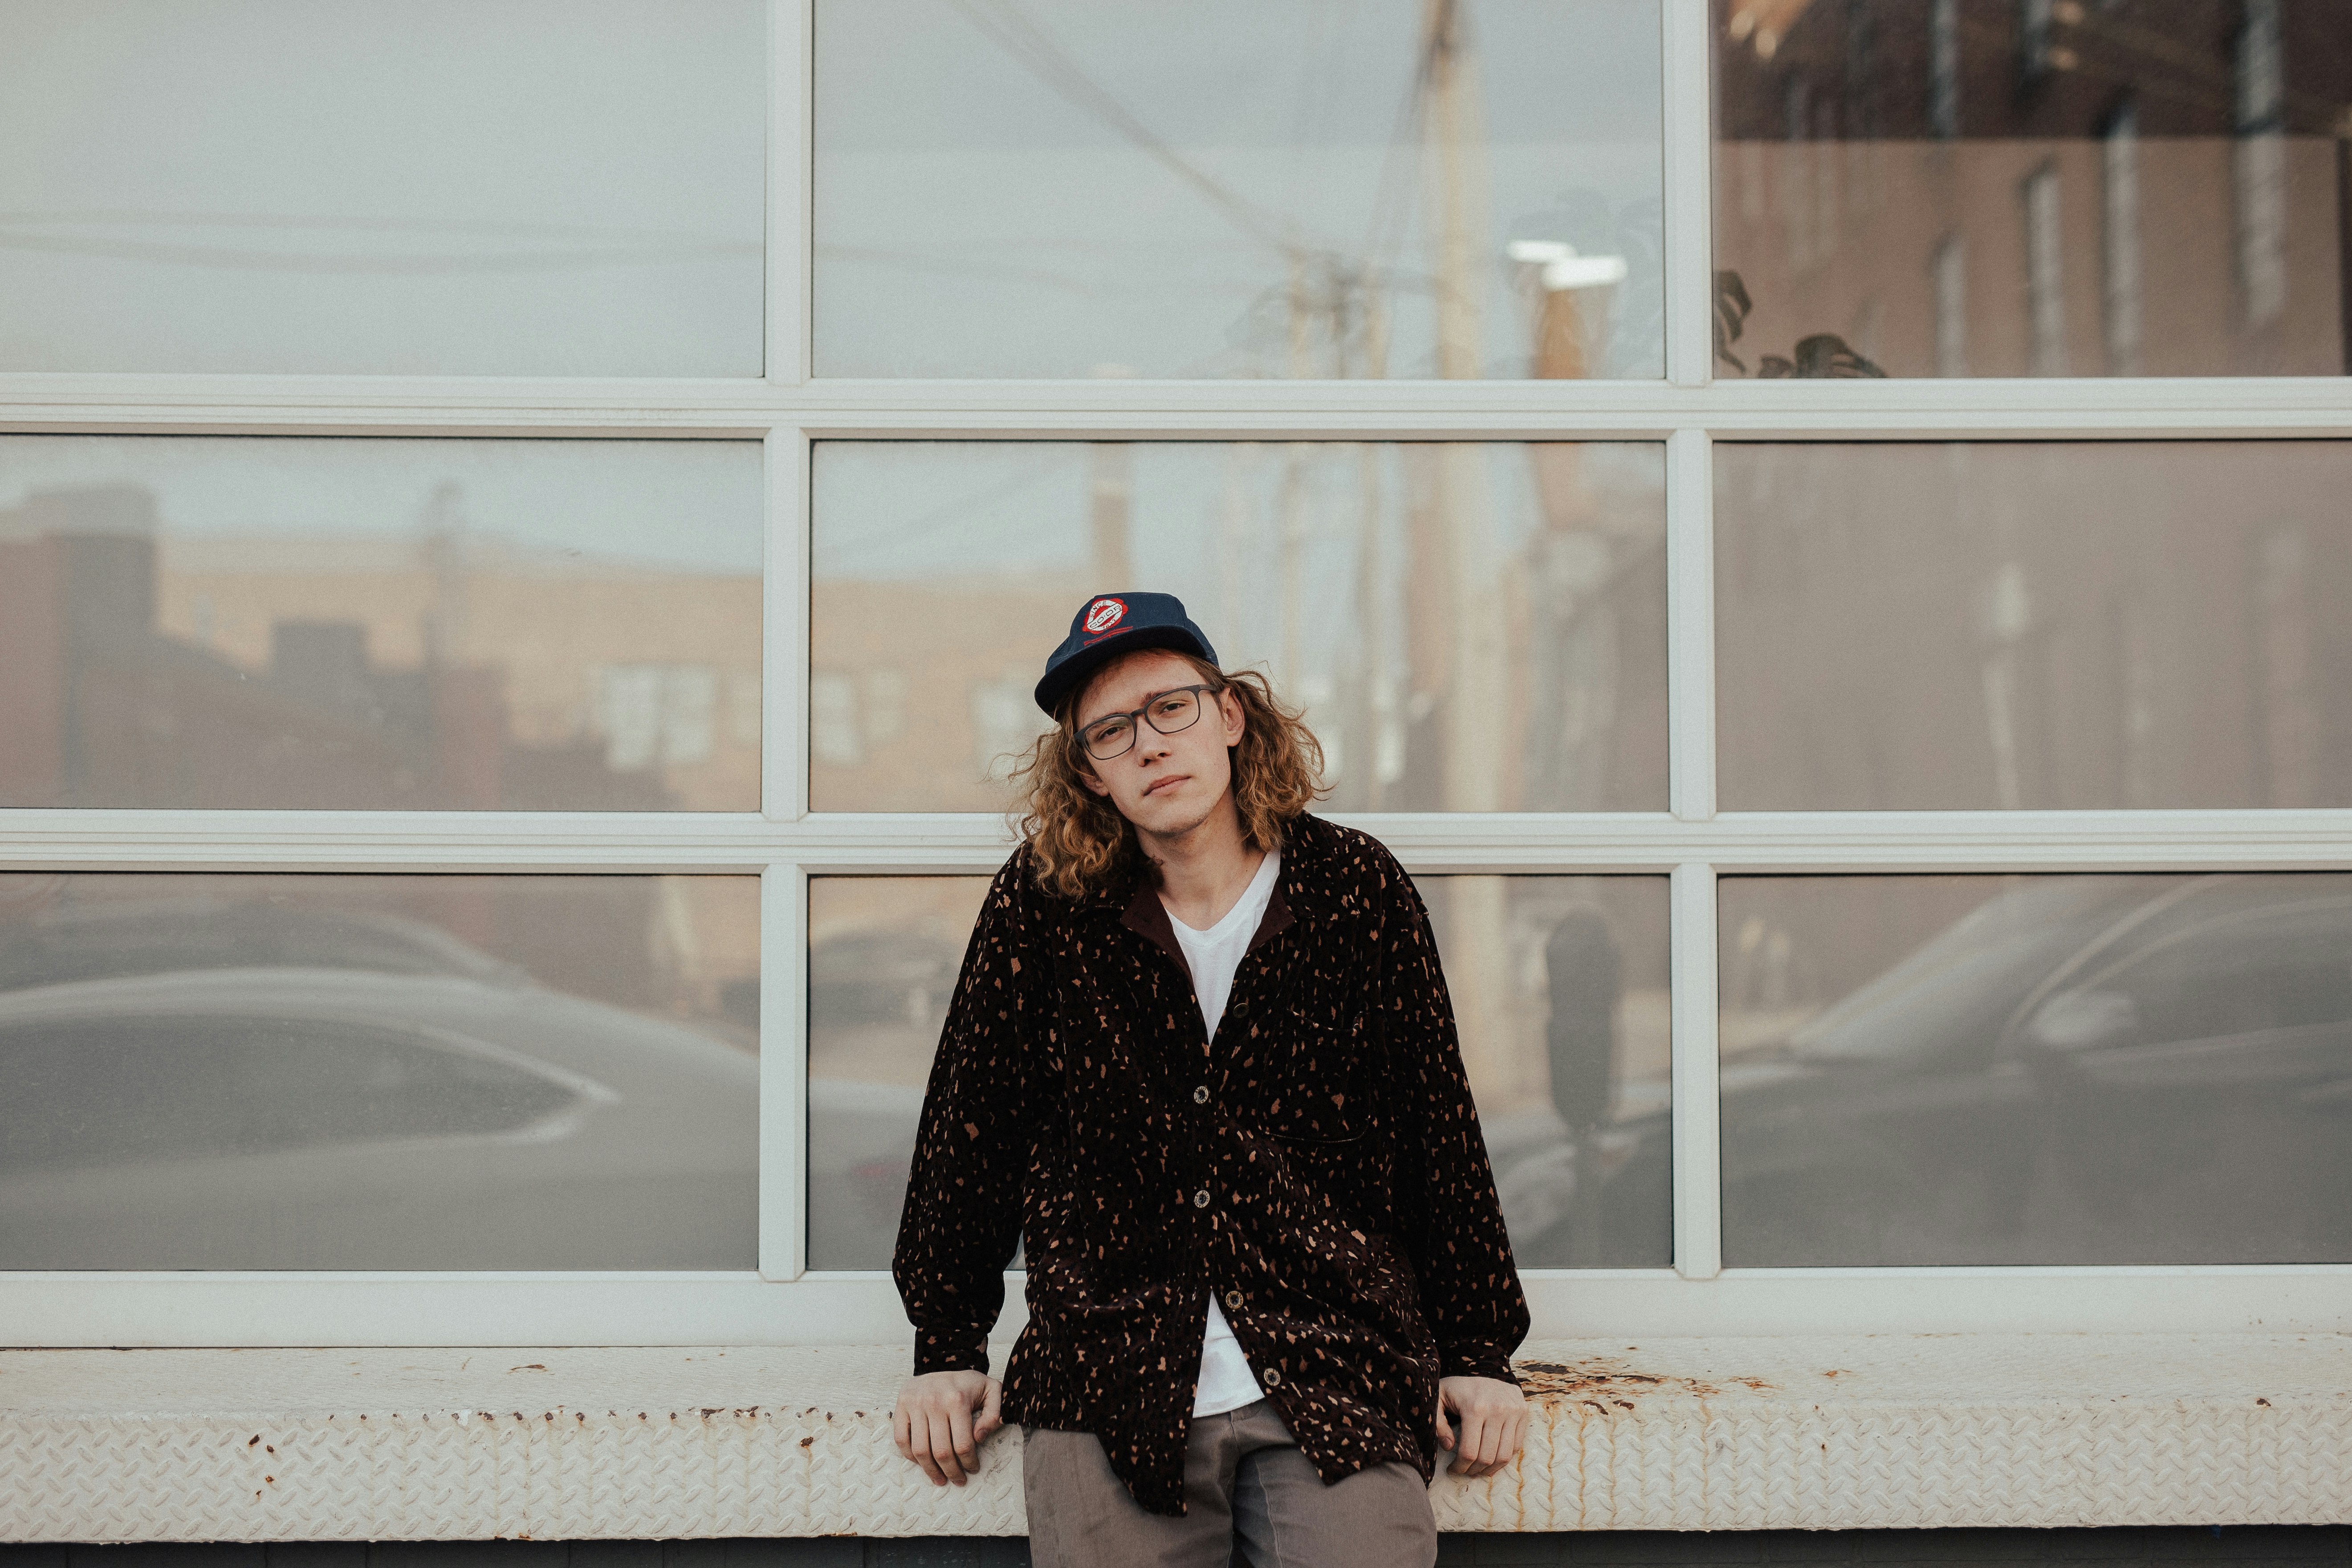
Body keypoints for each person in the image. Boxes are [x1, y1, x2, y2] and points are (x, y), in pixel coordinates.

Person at [889, 591, 1530, 1568]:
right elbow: (970, 1129)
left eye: (1169, 708)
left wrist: (1480, 1351)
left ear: (1230, 716)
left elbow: (1435, 1125)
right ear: (1090, 774)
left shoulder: (1354, 890)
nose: (1148, 745)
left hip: (1331, 1373)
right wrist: (946, 1346)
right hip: (1108, 1381)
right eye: (1110, 731)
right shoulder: (1044, 906)